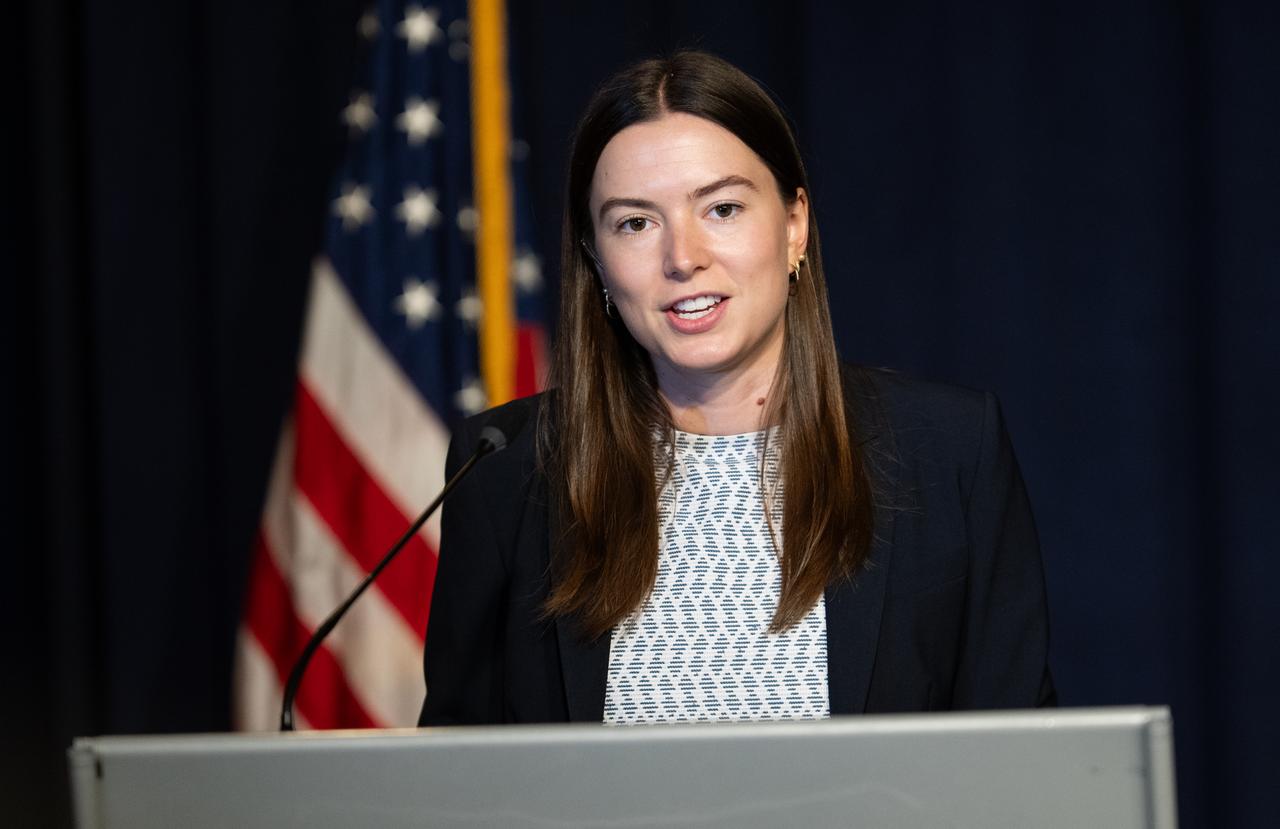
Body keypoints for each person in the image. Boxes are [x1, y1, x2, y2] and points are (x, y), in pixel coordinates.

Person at [419, 51, 1054, 726]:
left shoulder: (949, 450)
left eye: (721, 208)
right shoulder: (505, 473)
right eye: (635, 222)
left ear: (794, 226)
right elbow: (460, 778)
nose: (683, 256)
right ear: (596, 260)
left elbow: (1017, 762)